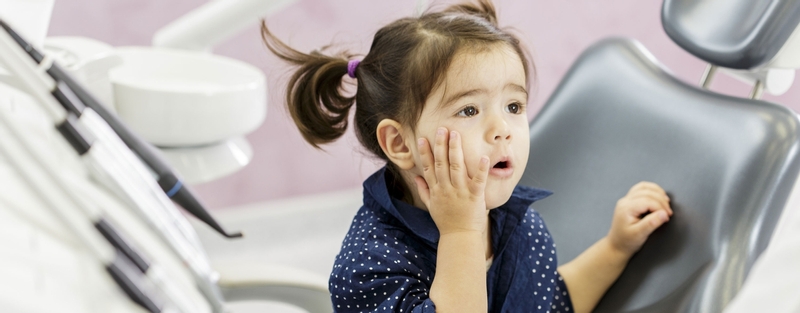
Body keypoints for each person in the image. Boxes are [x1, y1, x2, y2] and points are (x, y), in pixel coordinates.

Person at [261, 1, 673, 312]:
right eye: (470, 110)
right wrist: (461, 234)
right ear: (400, 144)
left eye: (513, 106)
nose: (503, 129)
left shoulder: (518, 222)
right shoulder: (371, 267)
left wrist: (616, 248)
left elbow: (549, 301)